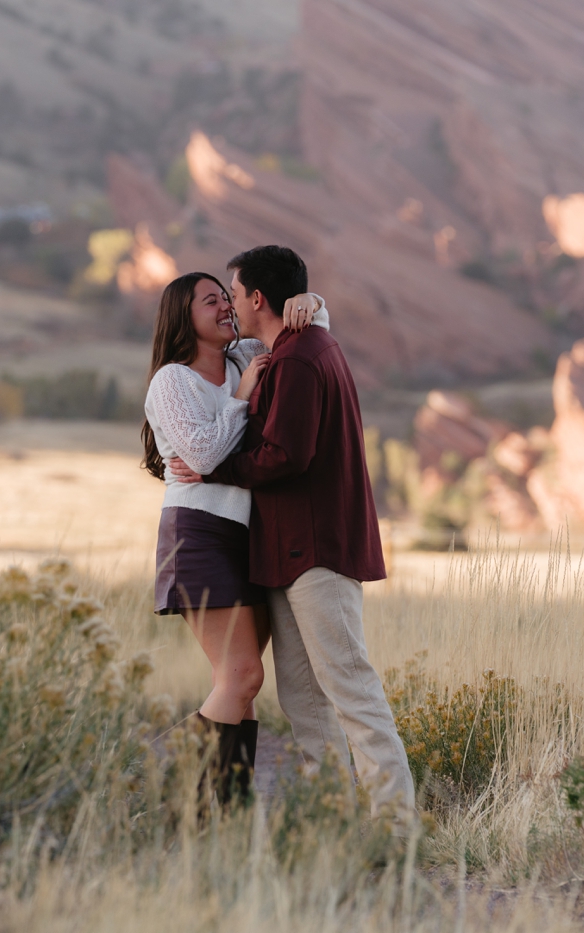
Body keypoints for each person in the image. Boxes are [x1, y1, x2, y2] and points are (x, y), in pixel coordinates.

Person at [168, 245, 415, 822]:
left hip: (315, 553)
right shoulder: (289, 350)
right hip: (286, 555)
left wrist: (213, 467)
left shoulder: (302, 358)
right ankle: (328, 821)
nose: (230, 304)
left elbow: (286, 455)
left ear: (257, 298)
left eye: (233, 293)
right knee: (305, 703)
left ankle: (395, 828)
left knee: (350, 687)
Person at [141, 270, 327, 804]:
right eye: (210, 301)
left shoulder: (244, 354)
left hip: (249, 536)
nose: (226, 306)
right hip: (197, 534)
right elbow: (203, 456)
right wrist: (242, 397)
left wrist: (309, 300)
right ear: (184, 316)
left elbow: (310, 327)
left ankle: (221, 816)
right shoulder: (172, 381)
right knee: (243, 676)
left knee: (239, 690)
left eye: (228, 297)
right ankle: (156, 783)